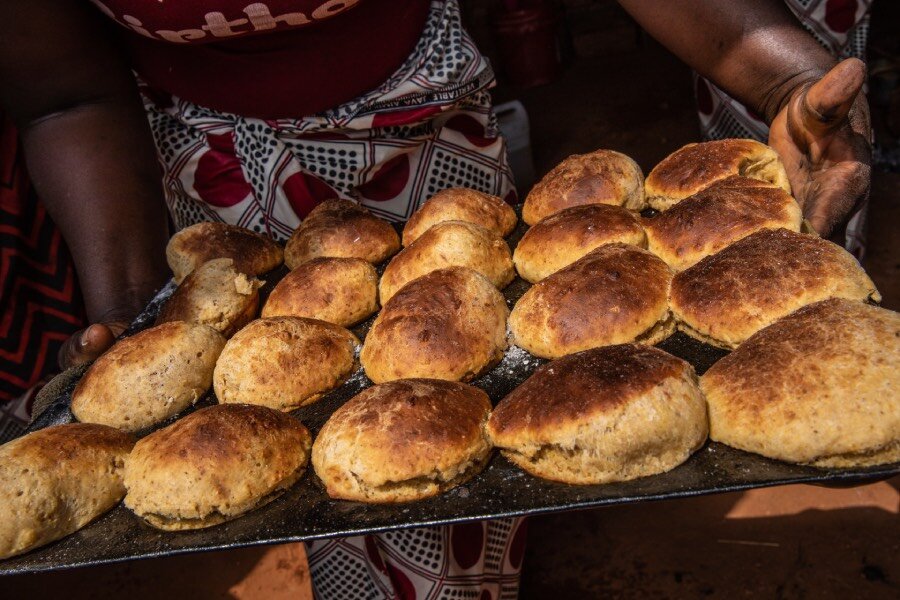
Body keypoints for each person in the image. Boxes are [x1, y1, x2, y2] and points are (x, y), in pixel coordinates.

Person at [0, 1, 872, 597]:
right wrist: (138, 311)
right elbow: (64, 95)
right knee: (309, 451)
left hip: (427, 145)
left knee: (467, 429)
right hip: (223, 183)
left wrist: (776, 77)